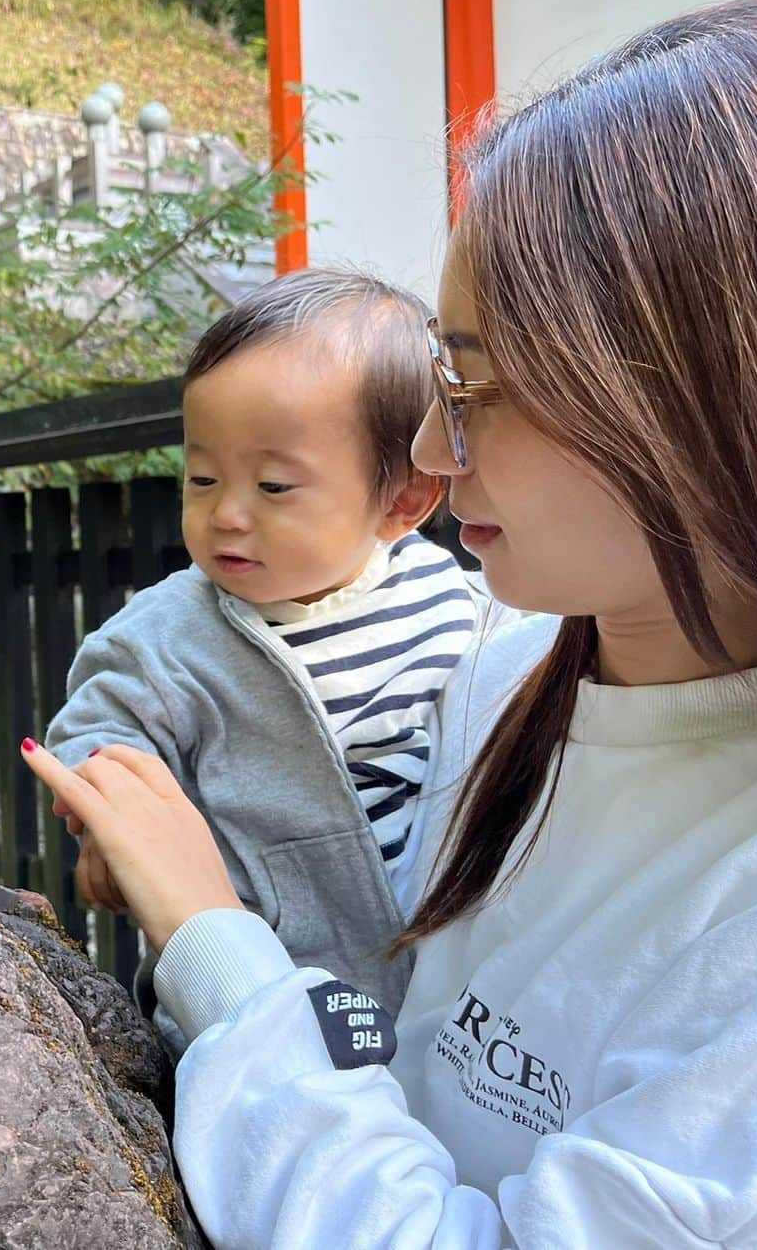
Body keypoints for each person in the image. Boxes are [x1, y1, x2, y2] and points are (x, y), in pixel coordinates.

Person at [25, 0, 757, 1245]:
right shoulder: (498, 666)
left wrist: (218, 948)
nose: (437, 452)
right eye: (448, 381)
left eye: (480, 390)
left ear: (723, 402)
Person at [45, 269, 476, 1044]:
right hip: (256, 981)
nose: (227, 513)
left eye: (274, 486)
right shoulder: (167, 637)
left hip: (442, 980)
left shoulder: (453, 603)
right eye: (202, 478)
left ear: (403, 501)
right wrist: (109, 821)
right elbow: (100, 726)